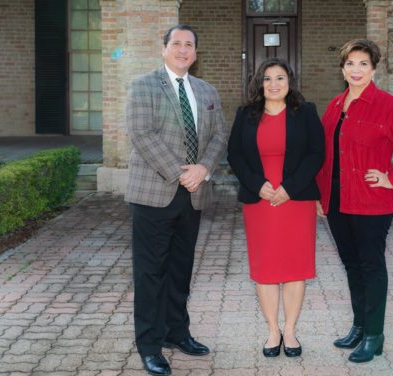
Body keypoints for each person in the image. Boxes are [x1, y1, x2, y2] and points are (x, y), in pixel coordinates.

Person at [316, 39, 393, 363]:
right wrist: (319, 197)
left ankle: (375, 335)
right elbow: (325, 155)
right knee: (352, 265)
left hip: (371, 202)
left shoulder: (388, 106)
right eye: (350, 63)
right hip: (337, 200)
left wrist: (392, 177)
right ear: (342, 68)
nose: (355, 69)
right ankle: (360, 325)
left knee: (371, 265)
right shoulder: (335, 106)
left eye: (363, 63)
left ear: (373, 68)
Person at [124, 24, 228, 376]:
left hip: (194, 195)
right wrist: (180, 171)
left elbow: (218, 136)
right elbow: (141, 133)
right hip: (154, 193)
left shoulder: (206, 90)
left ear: (196, 53)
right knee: (151, 272)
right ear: (164, 48)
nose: (183, 49)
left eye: (189, 45)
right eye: (177, 43)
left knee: (181, 270)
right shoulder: (143, 86)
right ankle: (150, 346)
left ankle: (176, 332)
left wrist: (203, 168)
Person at [227, 58, 324, 358]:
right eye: (267, 79)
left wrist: (289, 188)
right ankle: (272, 331)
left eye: (280, 78)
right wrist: (258, 184)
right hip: (261, 202)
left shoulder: (306, 112)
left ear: (290, 82)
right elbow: (235, 154)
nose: (273, 84)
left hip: (296, 201)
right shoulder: (246, 114)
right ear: (259, 83)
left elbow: (316, 153)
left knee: (296, 268)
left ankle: (291, 331)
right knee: (266, 268)